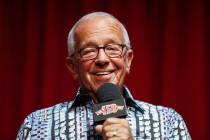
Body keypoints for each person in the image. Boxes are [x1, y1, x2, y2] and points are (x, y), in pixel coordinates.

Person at [17, 12, 191, 140]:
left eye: (112, 48)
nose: (102, 59)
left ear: (128, 59)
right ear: (72, 67)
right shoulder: (35, 125)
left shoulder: (168, 122)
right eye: (89, 50)